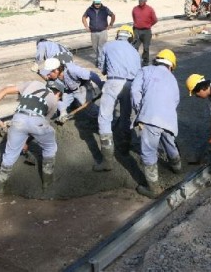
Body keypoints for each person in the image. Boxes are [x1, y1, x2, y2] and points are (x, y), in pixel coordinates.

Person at [0, 80, 65, 197]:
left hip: (18, 120)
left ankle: (0, 186)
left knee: (10, 153)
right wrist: (27, 141)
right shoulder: (54, 101)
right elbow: (40, 124)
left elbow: (5, 90)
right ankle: (47, 182)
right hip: (38, 122)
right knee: (50, 147)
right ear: (58, 93)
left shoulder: (32, 83)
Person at [131, 49, 181, 198]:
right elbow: (176, 100)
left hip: (151, 116)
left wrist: (140, 110)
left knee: (148, 151)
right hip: (170, 119)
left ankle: (153, 188)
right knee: (168, 141)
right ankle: (177, 167)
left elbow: (134, 91)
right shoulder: (172, 79)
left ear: (157, 60)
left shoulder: (145, 70)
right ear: (171, 66)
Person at [94, 25, 141, 171]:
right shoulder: (135, 51)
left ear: (118, 34)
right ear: (130, 37)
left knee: (104, 117)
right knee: (126, 116)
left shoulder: (108, 45)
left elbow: (101, 67)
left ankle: (108, 161)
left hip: (113, 82)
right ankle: (125, 148)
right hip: (131, 84)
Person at [42, 57, 103, 123]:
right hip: (68, 91)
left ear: (56, 70)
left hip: (81, 88)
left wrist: (102, 87)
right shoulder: (52, 79)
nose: (47, 76)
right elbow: (56, 97)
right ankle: (67, 110)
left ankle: (104, 119)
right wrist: (62, 112)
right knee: (58, 107)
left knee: (90, 109)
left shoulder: (73, 70)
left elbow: (93, 75)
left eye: (49, 73)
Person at [82, 0, 115, 67]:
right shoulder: (89, 9)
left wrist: (111, 24)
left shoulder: (105, 9)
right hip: (93, 32)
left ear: (100, 3)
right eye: (96, 4)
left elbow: (112, 15)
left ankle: (101, 63)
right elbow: (84, 17)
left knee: (101, 47)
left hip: (103, 31)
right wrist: (86, 26)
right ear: (93, 3)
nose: (97, 5)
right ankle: (98, 59)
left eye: (98, 4)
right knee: (95, 48)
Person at [132, 0, 158, 66]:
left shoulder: (150, 10)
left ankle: (145, 61)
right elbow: (134, 18)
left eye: (142, 0)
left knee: (146, 48)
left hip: (146, 31)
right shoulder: (135, 9)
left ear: (145, 1)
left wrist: (148, 25)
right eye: (139, 0)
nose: (140, 2)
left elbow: (155, 20)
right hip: (137, 31)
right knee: (135, 47)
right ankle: (135, 60)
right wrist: (137, 25)